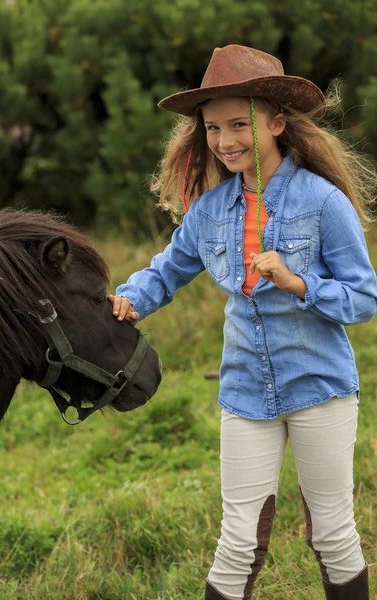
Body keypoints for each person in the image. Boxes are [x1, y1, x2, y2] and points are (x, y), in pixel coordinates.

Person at [109, 45, 376, 599]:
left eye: (239, 124)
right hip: (245, 392)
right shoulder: (208, 211)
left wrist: (300, 283)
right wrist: (130, 299)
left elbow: (364, 297)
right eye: (212, 128)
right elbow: (168, 269)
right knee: (235, 543)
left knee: (332, 534)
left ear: (276, 123)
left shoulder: (323, 203)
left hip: (319, 388)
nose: (225, 141)